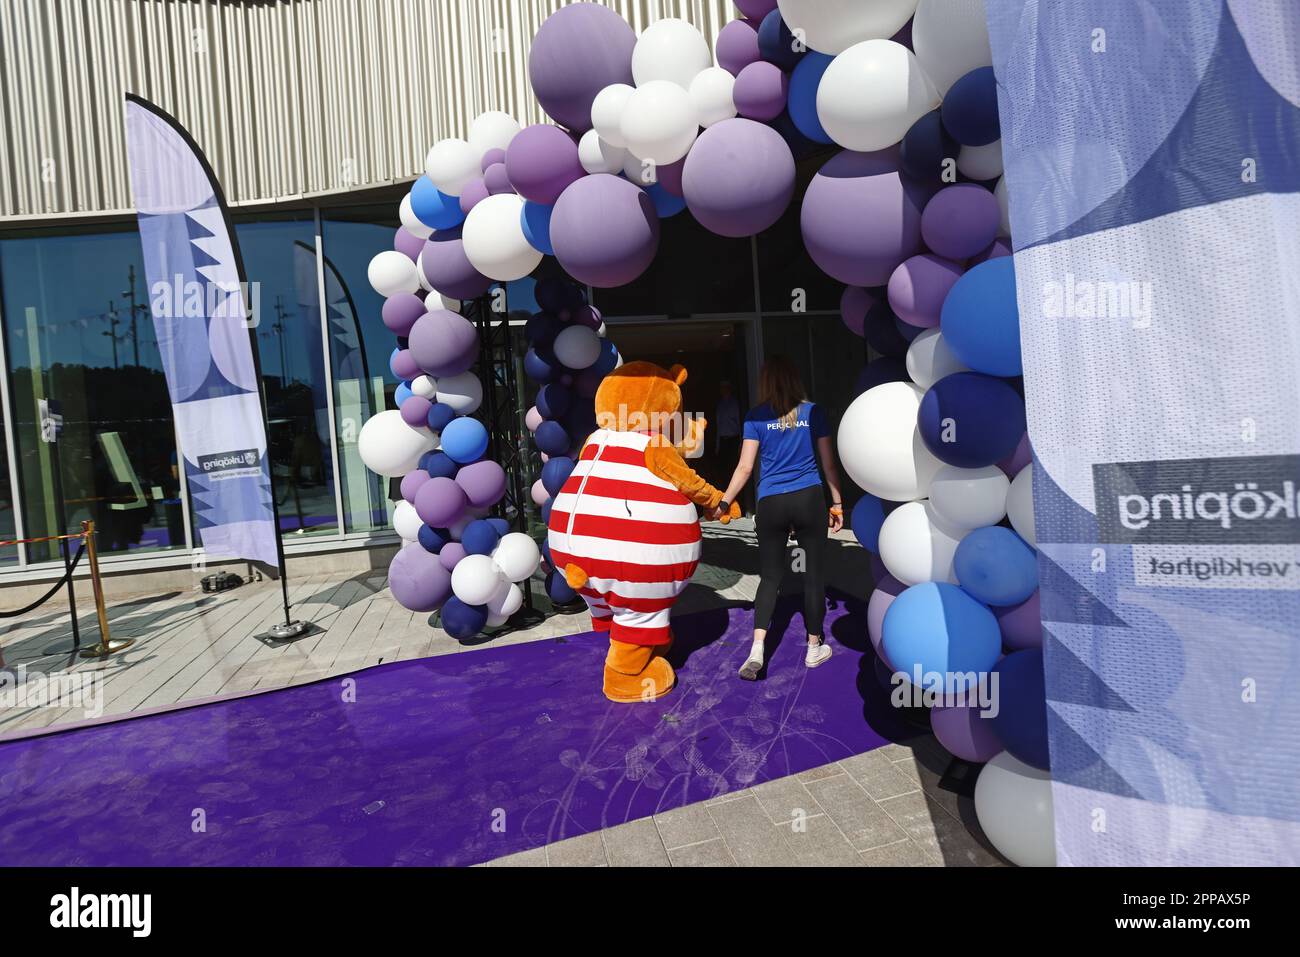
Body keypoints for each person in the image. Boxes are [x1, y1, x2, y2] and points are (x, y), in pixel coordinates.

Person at [711, 356, 844, 678]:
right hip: (808, 497)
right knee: (813, 574)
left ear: (766, 383)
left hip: (771, 502)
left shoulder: (756, 416)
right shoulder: (813, 412)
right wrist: (837, 503)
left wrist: (724, 502)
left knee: (771, 577)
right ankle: (814, 648)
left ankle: (757, 649)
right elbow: (828, 464)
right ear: (796, 379)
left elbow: (744, 467)